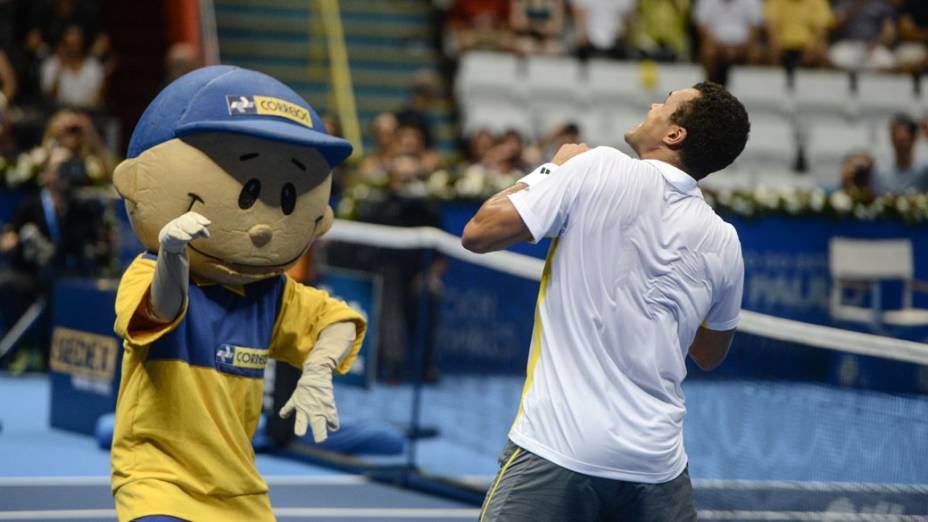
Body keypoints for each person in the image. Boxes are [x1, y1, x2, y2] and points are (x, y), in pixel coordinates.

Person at [462, 81, 749, 521]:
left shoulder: (596, 167)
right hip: (658, 471)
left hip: (558, 451)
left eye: (666, 104)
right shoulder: (724, 240)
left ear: (675, 135)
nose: (654, 104)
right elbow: (710, 353)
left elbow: (480, 232)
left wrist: (553, 169)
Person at [695, 0, 766, 85]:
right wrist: (721, 47)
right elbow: (702, 28)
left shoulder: (752, 2)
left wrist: (742, 46)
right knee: (708, 52)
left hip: (744, 46)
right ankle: (709, 86)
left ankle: (752, 88)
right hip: (716, 45)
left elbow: (755, 28)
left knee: (756, 54)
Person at [39, 24, 105, 109]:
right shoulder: (51, 65)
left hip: (89, 113)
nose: (73, 49)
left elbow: (98, 99)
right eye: (70, 44)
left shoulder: (94, 66)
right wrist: (60, 68)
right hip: (59, 112)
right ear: (62, 43)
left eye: (77, 44)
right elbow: (50, 98)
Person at [765, 0, 833, 78]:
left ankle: (819, 85)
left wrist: (812, 47)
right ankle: (773, 84)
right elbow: (771, 26)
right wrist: (776, 44)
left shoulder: (817, 2)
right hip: (783, 45)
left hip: (808, 46)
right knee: (771, 53)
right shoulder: (776, 1)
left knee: (822, 53)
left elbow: (821, 30)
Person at [828, 0, 897, 71]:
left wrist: (876, 43)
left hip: (874, 46)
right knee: (833, 56)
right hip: (849, 45)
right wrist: (856, 6)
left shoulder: (881, 5)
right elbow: (835, 25)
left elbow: (889, 34)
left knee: (889, 62)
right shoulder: (845, 3)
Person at [571, 0, 636, 61]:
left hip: (617, 46)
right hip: (587, 46)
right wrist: (583, 40)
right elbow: (578, 13)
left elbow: (626, 22)